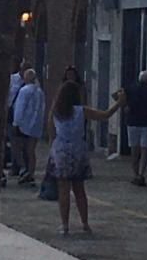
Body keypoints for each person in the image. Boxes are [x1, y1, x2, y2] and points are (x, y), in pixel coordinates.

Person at [48, 81, 125, 235]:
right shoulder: (81, 111)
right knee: (79, 189)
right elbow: (105, 115)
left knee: (63, 190)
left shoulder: (55, 111)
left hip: (60, 149)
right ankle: (85, 223)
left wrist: (52, 150)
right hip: (77, 149)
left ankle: (65, 225)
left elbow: (51, 131)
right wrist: (119, 103)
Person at [13, 68, 46, 185]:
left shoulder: (24, 91)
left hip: (23, 125)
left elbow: (19, 108)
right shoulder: (40, 92)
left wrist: (16, 123)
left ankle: (24, 169)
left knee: (18, 147)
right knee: (31, 151)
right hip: (36, 126)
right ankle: (30, 173)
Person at [6, 59, 28, 176]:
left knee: (24, 143)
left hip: (25, 116)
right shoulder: (12, 79)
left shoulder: (32, 82)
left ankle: (23, 165)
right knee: (14, 141)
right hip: (11, 113)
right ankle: (16, 165)